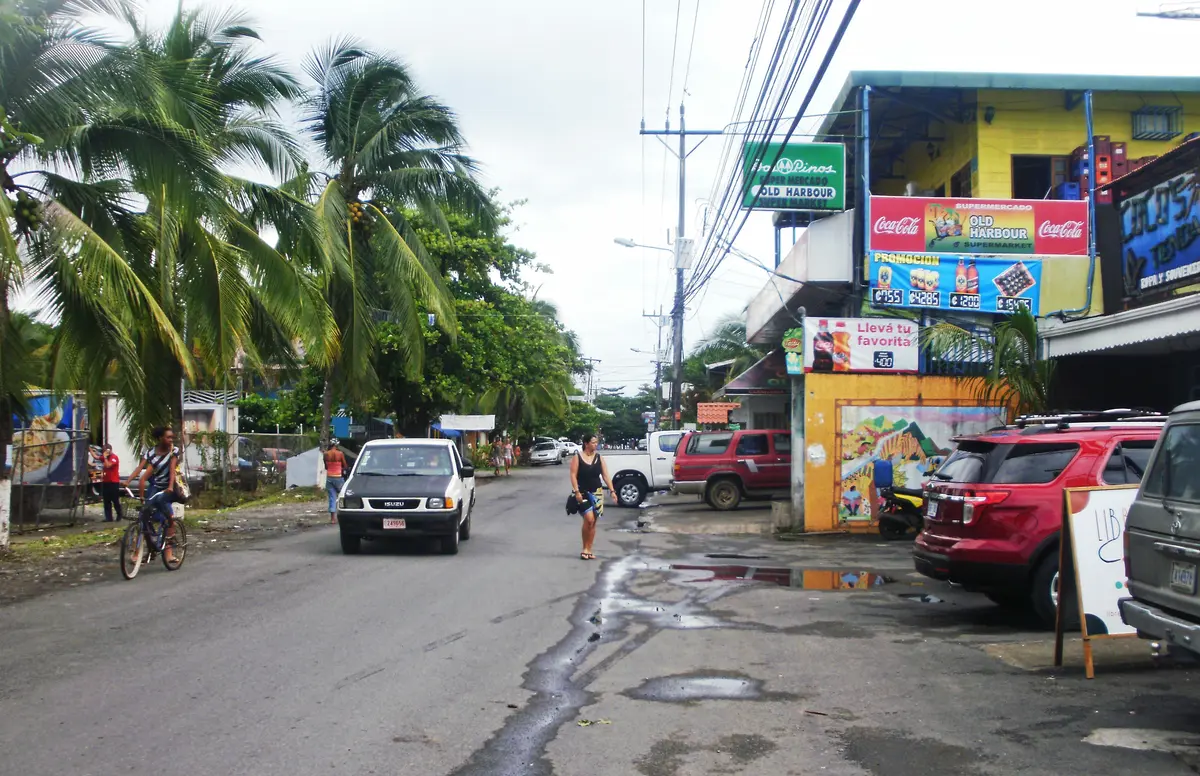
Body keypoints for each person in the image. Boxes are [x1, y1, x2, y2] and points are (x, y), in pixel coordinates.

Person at [124, 427, 179, 563]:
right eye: (168, 437)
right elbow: (140, 469)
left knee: (169, 518)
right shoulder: (150, 453)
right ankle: (142, 551)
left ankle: (169, 554)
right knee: (144, 517)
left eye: (172, 437)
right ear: (160, 438)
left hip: (168, 488)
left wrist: (171, 486)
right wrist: (128, 481)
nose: (171, 440)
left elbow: (172, 471)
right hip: (155, 487)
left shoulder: (173, 451)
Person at [569, 433, 615, 560]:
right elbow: (573, 475)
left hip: (597, 493)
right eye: (593, 442)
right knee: (588, 519)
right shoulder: (577, 458)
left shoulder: (599, 458)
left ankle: (589, 549)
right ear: (586, 443)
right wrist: (576, 491)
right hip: (582, 492)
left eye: (596, 442)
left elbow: (605, 475)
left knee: (593, 523)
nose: (596, 444)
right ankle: (584, 548)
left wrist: (612, 491)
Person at [95, 444, 123, 522]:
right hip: (106, 482)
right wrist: (89, 449)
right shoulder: (105, 457)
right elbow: (96, 457)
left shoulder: (114, 457)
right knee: (106, 500)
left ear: (109, 450)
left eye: (105, 450)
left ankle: (119, 514)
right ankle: (108, 517)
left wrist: (105, 457)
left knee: (115, 500)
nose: (104, 452)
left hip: (113, 482)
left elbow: (108, 465)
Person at [324, 439, 347, 524]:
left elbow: (326, 466)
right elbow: (345, 465)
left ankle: (333, 519)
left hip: (329, 477)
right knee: (344, 495)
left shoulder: (326, 454)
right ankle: (345, 514)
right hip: (338, 476)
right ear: (337, 445)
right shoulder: (340, 454)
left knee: (332, 497)